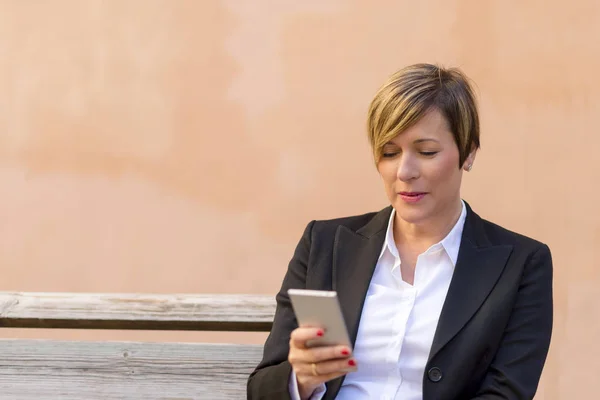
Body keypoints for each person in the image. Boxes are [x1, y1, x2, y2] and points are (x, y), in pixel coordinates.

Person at [247, 63, 553, 400]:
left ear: (468, 153)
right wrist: (301, 379)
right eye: (389, 153)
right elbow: (262, 388)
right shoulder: (325, 244)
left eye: (426, 152)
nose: (404, 172)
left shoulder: (521, 264)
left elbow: (506, 393)